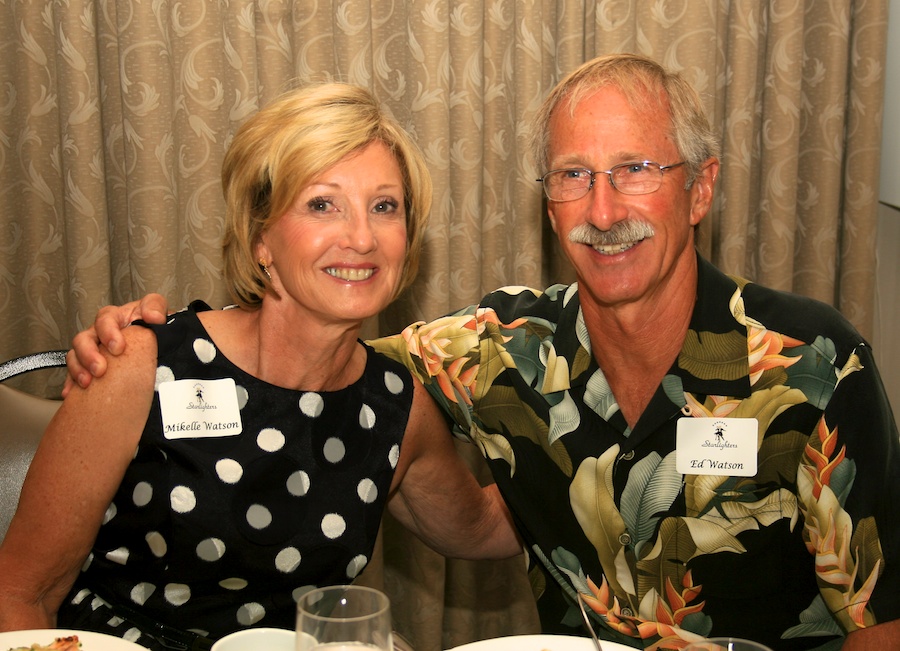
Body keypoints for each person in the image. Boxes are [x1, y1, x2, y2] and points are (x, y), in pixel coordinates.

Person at [61, 54, 900, 650]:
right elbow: (307, 350)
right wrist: (149, 342)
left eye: (636, 168)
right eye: (573, 175)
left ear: (701, 188)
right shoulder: (495, 351)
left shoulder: (815, 364)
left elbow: (879, 622)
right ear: (548, 203)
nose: (603, 210)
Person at [0, 83, 522, 650]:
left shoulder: (395, 406)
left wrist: (609, 439)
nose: (362, 237)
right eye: (323, 204)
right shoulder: (141, 368)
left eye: (384, 206)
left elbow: (481, 526)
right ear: (259, 238)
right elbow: (21, 591)